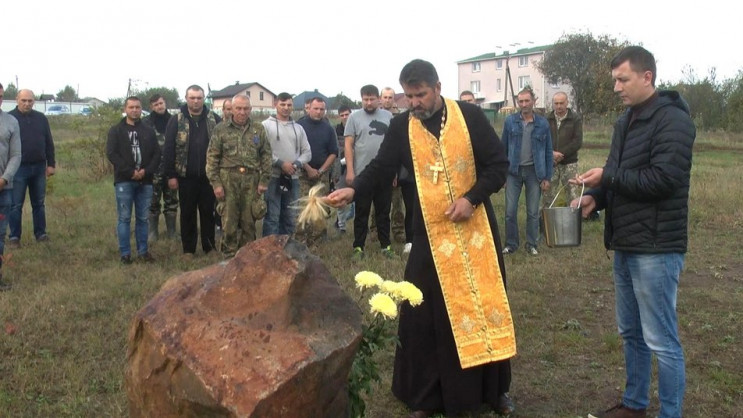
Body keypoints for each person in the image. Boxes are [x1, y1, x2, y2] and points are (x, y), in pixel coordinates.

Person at [326, 59, 515, 417]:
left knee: (484, 305)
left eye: (420, 95)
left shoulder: (470, 118)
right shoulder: (401, 127)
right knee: (423, 312)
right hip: (429, 234)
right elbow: (381, 168)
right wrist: (353, 190)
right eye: (408, 96)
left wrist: (471, 199)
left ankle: (494, 390)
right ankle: (427, 395)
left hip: (476, 233)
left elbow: (498, 166)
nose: (414, 103)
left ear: (438, 87)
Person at [574, 46, 695, 418]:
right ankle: (635, 404)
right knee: (632, 333)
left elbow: (663, 180)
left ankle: (670, 413)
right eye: (614, 80)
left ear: (647, 77)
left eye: (622, 79)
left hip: (657, 247)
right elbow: (620, 176)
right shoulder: (625, 122)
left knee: (661, 339)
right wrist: (596, 197)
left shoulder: (673, 120)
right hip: (626, 242)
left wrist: (607, 177)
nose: (616, 88)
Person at [206, 94, 272, 257]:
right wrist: (216, 184)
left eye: (245, 108)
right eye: (238, 108)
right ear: (232, 109)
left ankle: (248, 258)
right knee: (229, 221)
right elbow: (212, 158)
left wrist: (264, 180)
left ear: (250, 109)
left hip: (251, 181)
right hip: (228, 180)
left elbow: (266, 155)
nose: (242, 112)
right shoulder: (220, 129)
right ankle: (228, 258)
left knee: (249, 221)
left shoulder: (258, 129)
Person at [162, 85, 222, 257]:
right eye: (192, 98)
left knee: (208, 213)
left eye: (199, 98)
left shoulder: (214, 119)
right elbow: (168, 149)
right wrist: (171, 175)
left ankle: (209, 247)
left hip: (208, 177)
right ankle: (188, 249)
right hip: (185, 177)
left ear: (204, 99)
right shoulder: (177, 120)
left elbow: (222, 147)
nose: (196, 101)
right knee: (187, 213)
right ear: (186, 99)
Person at [106, 96, 160, 264]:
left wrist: (146, 171)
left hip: (146, 181)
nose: (134, 110)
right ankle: (125, 254)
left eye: (137, 107)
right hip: (124, 181)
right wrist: (130, 172)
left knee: (143, 218)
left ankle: (143, 252)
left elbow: (157, 154)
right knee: (124, 218)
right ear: (125, 108)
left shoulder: (148, 131)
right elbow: (112, 154)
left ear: (141, 108)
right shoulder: (116, 130)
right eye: (131, 107)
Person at [501, 87, 553, 255]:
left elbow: (548, 151)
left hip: (534, 172)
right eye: (521, 101)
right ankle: (511, 244)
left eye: (527, 101)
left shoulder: (543, 124)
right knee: (510, 211)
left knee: (532, 211)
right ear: (518, 103)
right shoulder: (510, 122)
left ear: (534, 101)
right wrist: (502, 175)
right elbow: (503, 148)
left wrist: (547, 177)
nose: (524, 104)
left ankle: (532, 244)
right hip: (513, 172)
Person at [344, 84, 393, 259]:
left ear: (379, 99)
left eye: (372, 99)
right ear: (361, 99)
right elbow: (348, 144)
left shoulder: (388, 116)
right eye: (366, 99)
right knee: (362, 212)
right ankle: (358, 247)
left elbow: (393, 145)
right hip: (362, 174)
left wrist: (393, 171)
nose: (369, 103)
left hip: (385, 174)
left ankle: (386, 246)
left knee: (383, 212)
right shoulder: (354, 118)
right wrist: (350, 171)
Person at [7, 89, 55, 247]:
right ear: (17, 100)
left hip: (39, 167)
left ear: (34, 101)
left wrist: (51, 164)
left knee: (39, 203)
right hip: (18, 169)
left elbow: (49, 142)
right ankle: (14, 237)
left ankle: (40, 233)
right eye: (24, 100)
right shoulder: (9, 118)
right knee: (16, 205)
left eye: (30, 101)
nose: (27, 104)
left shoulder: (41, 119)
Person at [261, 92, 311, 237]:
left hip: (293, 178)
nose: (286, 108)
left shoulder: (298, 128)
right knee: (272, 216)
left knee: (290, 216)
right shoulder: (265, 126)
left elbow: (307, 152)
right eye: (282, 104)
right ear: (275, 104)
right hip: (273, 177)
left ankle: (287, 248)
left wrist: (295, 164)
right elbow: (262, 152)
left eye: (289, 105)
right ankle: (270, 250)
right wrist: (280, 163)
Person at [296, 97, 338, 246]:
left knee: (320, 207)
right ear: (308, 108)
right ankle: (301, 240)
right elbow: (295, 151)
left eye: (322, 109)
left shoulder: (328, 128)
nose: (319, 112)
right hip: (302, 173)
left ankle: (318, 240)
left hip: (321, 174)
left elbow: (333, 152)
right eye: (316, 108)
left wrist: (320, 170)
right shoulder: (299, 126)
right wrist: (308, 168)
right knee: (303, 207)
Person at [142, 94, 178, 241]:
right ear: (151, 107)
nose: (159, 106)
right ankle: (152, 232)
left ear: (165, 103)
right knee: (153, 202)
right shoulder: (146, 123)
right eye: (156, 104)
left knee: (171, 202)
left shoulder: (174, 120)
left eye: (161, 103)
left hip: (171, 169)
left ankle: (172, 232)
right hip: (153, 170)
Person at [542, 92, 583, 209]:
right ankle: (544, 224)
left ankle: (574, 224)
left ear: (567, 103)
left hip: (569, 163)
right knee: (547, 196)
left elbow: (577, 141)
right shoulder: (546, 119)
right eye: (556, 103)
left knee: (573, 196)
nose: (559, 106)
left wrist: (561, 154)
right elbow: (542, 139)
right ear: (553, 104)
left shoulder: (575, 119)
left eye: (561, 103)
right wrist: (551, 154)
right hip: (551, 164)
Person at [0, 83, 22, 291]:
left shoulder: (10, 122)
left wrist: (4, 179)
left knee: (0, 236)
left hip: (3, 189)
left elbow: (15, 155)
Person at [333, 105, 354, 232]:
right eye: (342, 115)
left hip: (356, 167)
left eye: (347, 114)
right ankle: (341, 226)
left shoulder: (356, 127)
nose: (345, 117)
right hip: (341, 169)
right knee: (340, 197)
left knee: (357, 200)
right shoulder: (336, 130)